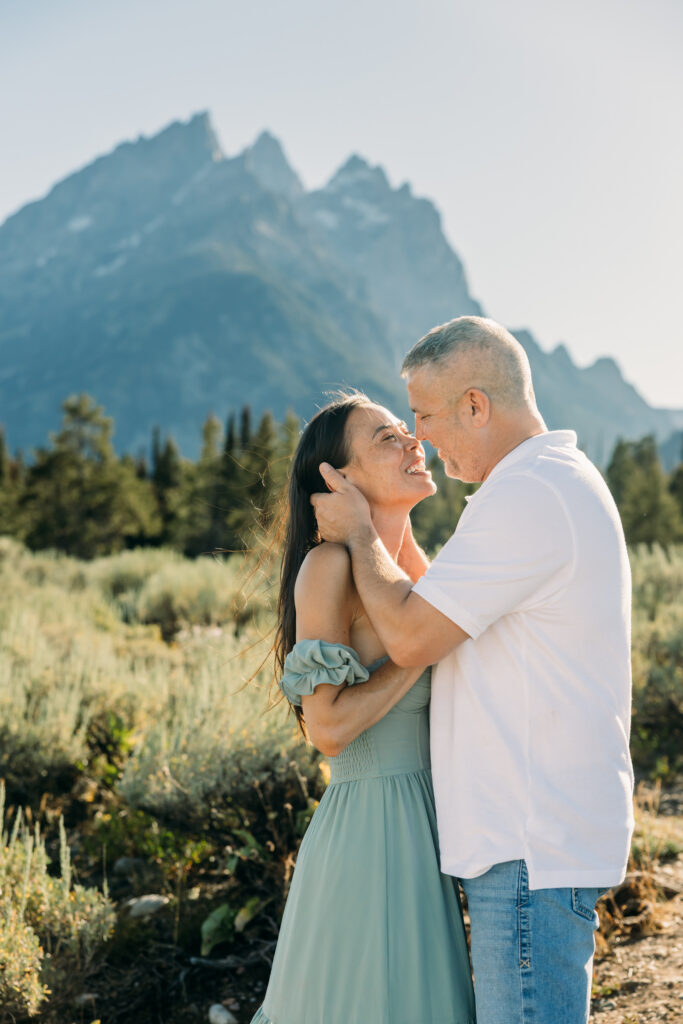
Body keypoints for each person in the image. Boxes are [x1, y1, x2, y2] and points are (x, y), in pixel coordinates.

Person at [312, 316, 634, 1024]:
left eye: (424, 415)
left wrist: (360, 532)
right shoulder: (544, 484)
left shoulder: (530, 494)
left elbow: (410, 633)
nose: (419, 436)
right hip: (530, 841)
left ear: (475, 406)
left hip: (528, 847)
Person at [250, 393, 476, 1024]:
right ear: (338, 479)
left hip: (431, 827)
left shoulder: (418, 570)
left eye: (409, 432)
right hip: (372, 833)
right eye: (386, 438)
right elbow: (326, 729)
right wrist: (418, 650)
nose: (414, 443)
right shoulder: (327, 568)